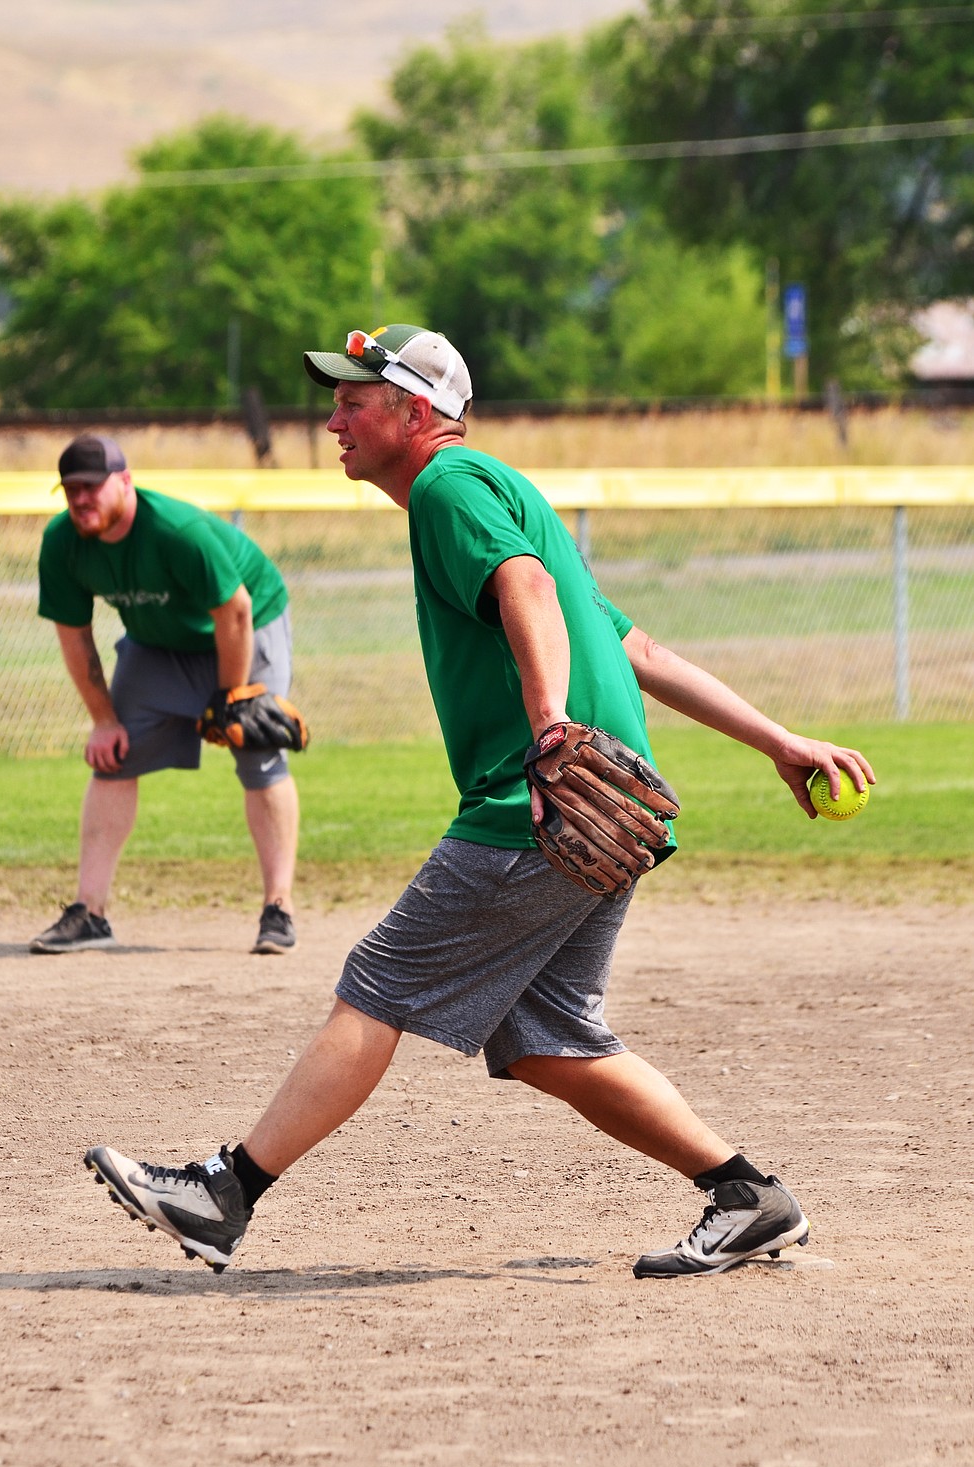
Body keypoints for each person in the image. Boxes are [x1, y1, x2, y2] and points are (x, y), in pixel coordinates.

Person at [83, 327, 874, 1279]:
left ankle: (223, 1195)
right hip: (606, 799)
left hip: (538, 801)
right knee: (546, 1038)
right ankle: (747, 1196)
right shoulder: (507, 487)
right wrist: (779, 741)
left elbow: (527, 587)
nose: (332, 419)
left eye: (353, 401)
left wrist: (547, 730)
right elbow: (639, 650)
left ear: (416, 413)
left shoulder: (450, 490)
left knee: (379, 984)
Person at [31, 434, 300, 957]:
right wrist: (104, 720)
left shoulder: (176, 531)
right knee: (115, 756)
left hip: (246, 626)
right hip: (158, 643)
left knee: (258, 750)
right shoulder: (63, 541)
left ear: (124, 481)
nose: (80, 499)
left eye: (91, 487)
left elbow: (236, 612)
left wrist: (233, 699)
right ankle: (89, 912)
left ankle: (278, 907)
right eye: (70, 490)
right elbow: (74, 635)